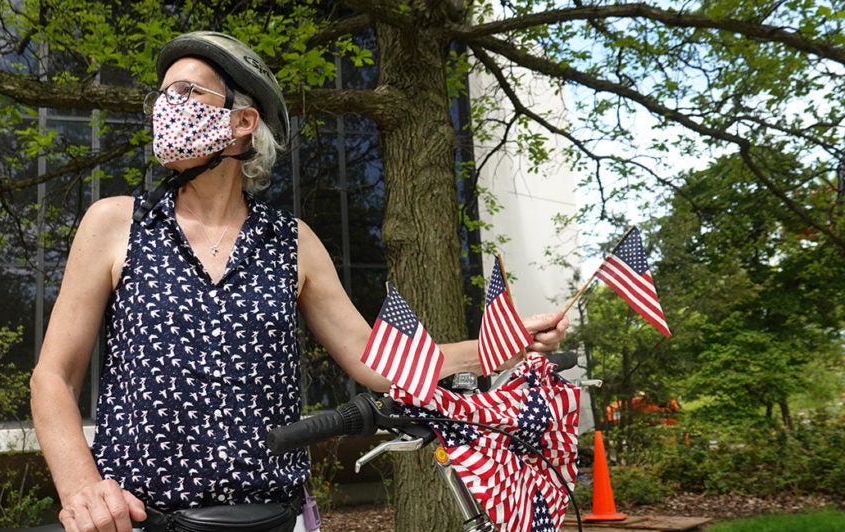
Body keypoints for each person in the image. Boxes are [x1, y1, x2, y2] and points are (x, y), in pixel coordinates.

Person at [29, 31, 570, 532]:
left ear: (243, 121)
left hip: (273, 518)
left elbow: (377, 362)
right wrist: (81, 488)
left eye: (188, 92)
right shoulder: (116, 223)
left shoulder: (292, 241)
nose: (166, 107)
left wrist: (500, 346)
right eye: (163, 96)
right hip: (142, 519)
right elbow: (53, 377)